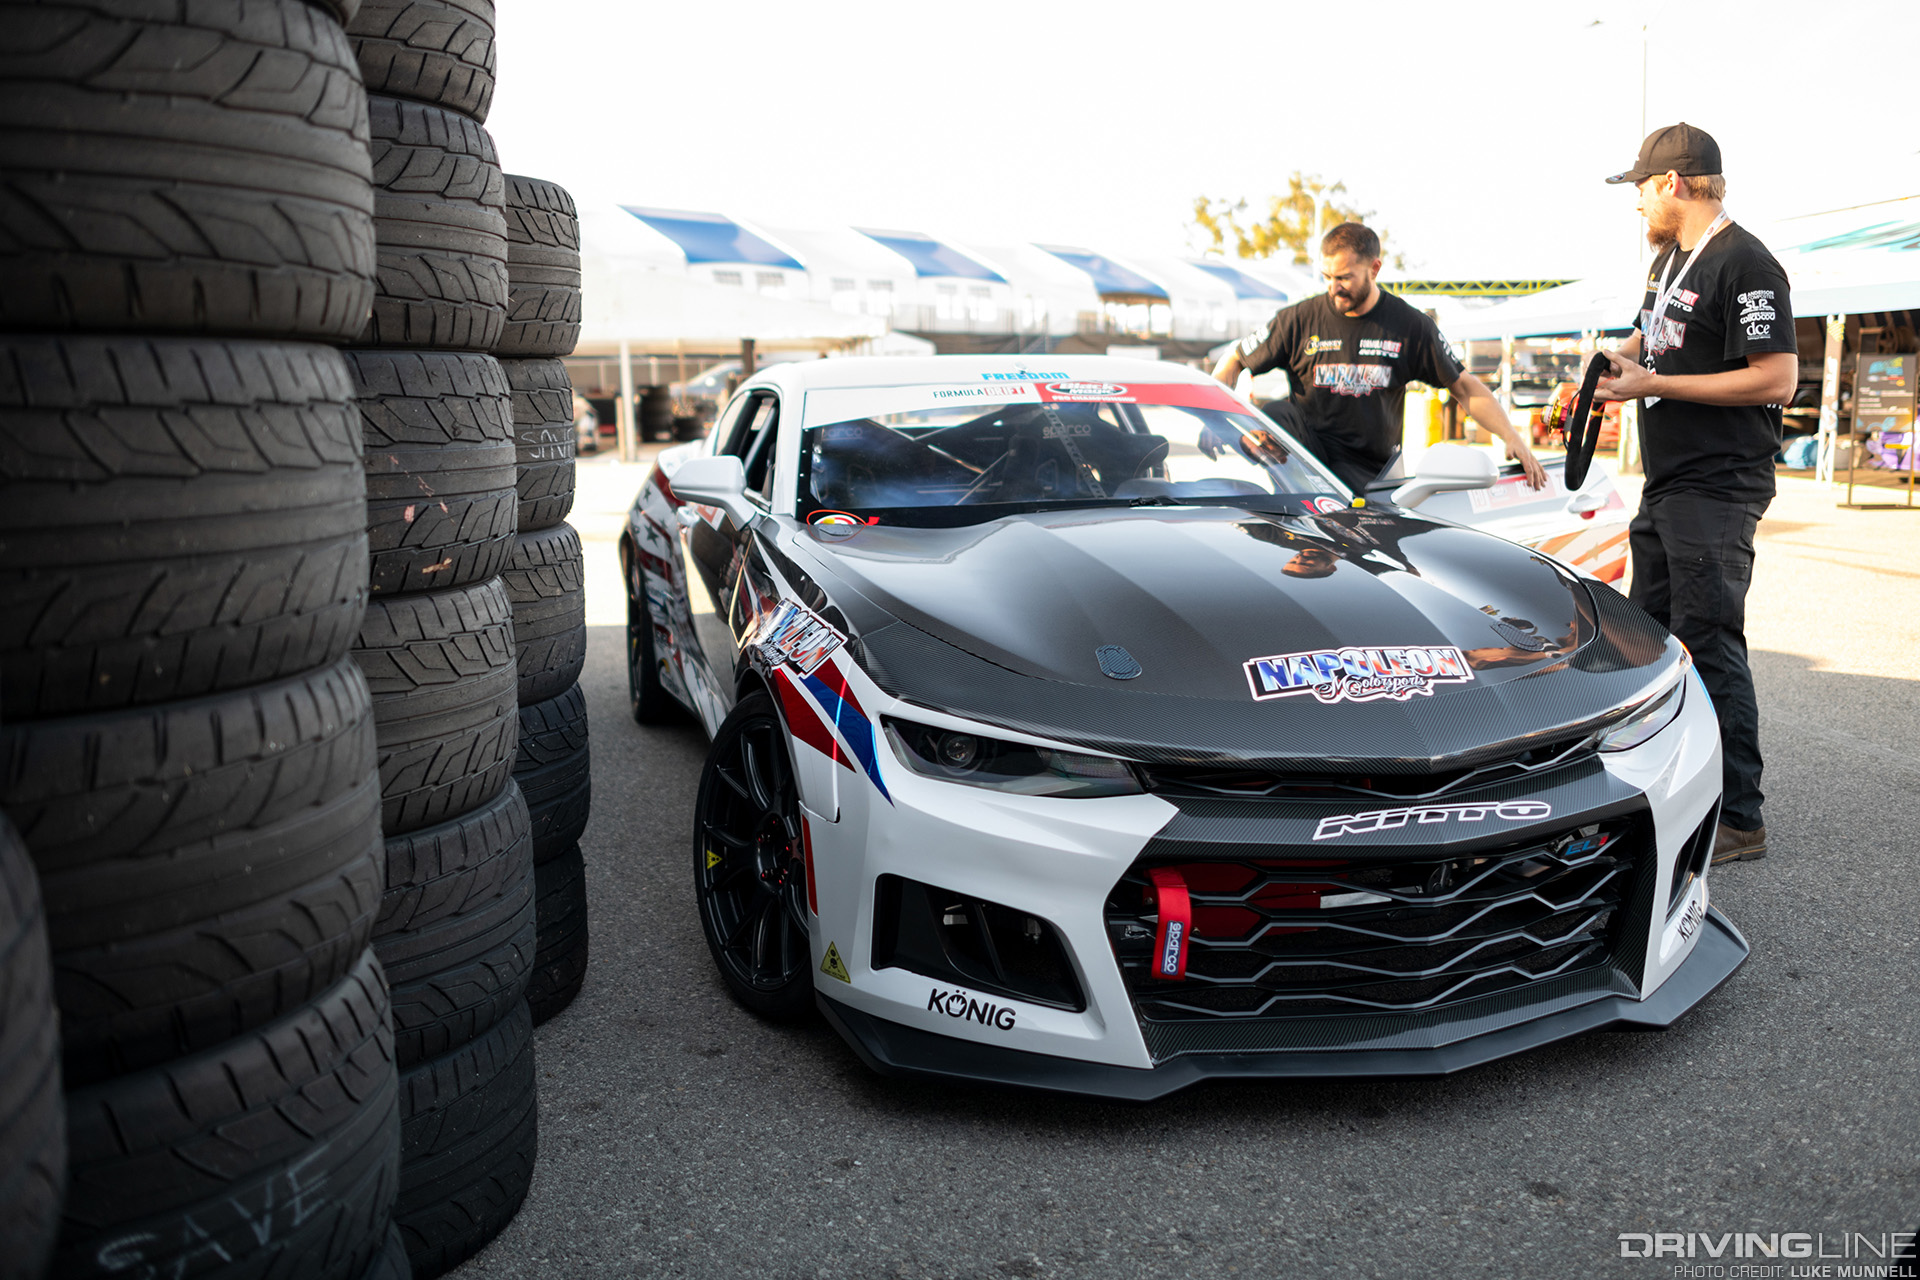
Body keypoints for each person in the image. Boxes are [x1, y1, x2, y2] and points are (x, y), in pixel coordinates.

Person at [1593, 122, 1798, 864]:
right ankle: (1653, 792)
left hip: (1719, 486)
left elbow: (1778, 379)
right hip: (1670, 482)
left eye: (1642, 188)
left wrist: (1656, 384)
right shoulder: (1672, 261)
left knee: (1709, 643)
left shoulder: (1745, 262)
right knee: (1645, 638)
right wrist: (1616, 364)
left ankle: (1741, 817)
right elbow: (1657, 343)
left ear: (1674, 184)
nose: (1638, 204)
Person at [1212, 222, 1546, 494]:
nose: (1333, 288)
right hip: (1307, 461)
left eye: (1344, 278)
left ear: (1374, 268)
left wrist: (1512, 437)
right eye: (1327, 277)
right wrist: (1216, 418)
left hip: (1369, 474)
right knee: (1273, 413)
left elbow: (1466, 388)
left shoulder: (1410, 326)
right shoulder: (1298, 320)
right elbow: (1235, 359)